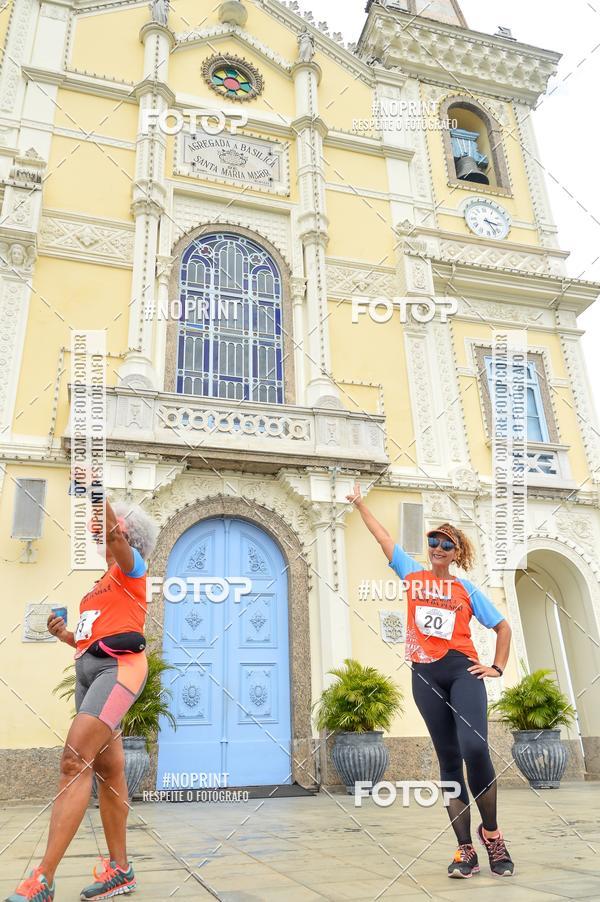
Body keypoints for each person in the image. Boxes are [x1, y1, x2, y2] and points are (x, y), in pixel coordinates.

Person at [347, 482, 514, 879]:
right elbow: (383, 536)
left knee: (475, 747)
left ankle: (492, 834)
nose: (438, 548)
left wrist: (497, 667)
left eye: (446, 544)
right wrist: (359, 503)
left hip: (462, 669)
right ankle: (465, 850)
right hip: (425, 674)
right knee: (449, 760)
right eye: (433, 542)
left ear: (457, 553)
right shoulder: (413, 575)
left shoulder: (466, 588)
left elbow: (503, 627)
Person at [7, 493, 158, 902]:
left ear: (127, 535)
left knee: (74, 760)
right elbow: (92, 636)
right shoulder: (100, 584)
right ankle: (120, 870)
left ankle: (44, 879)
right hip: (89, 671)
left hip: (118, 671)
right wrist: (65, 636)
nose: (100, 534)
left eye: (113, 529)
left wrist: (98, 494)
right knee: (108, 771)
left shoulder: (132, 570)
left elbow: (111, 532)